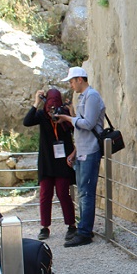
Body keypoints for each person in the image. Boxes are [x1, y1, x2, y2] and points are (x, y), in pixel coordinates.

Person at [55, 67, 105, 247]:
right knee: (83, 192)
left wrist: (68, 119)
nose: (70, 84)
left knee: (86, 193)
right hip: (83, 150)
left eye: (71, 81)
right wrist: (75, 152)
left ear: (79, 79)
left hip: (91, 151)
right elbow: (82, 126)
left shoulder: (92, 96)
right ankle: (83, 228)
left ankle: (84, 232)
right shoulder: (83, 96)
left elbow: (88, 123)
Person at [23, 88, 77, 241]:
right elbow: (27, 121)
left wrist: (69, 114)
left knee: (63, 194)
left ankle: (71, 225)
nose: (52, 109)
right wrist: (36, 103)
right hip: (47, 162)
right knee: (45, 195)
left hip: (62, 162)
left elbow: (76, 129)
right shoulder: (41, 115)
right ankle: (44, 226)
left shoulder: (64, 113)